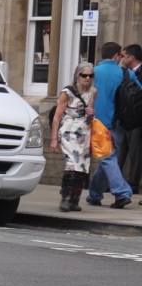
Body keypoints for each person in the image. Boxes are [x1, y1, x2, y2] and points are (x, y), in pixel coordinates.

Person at [85, 41, 141, 208]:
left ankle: (120, 193)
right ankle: (96, 194)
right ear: (116, 56)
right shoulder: (125, 73)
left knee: (108, 158)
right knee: (109, 157)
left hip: (96, 122)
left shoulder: (91, 73)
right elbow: (138, 95)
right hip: (117, 123)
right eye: (120, 56)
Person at [49, 64, 96, 211]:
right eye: (84, 75)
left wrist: (91, 112)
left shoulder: (93, 91)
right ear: (77, 75)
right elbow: (57, 117)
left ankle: (75, 200)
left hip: (84, 132)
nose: (87, 78)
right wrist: (54, 138)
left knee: (82, 166)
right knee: (71, 164)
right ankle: (66, 198)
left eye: (90, 75)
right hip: (69, 130)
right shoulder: (67, 92)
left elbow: (91, 111)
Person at [119, 43, 142, 190]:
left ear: (131, 57)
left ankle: (133, 183)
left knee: (135, 152)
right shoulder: (124, 72)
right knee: (121, 150)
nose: (121, 58)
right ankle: (114, 181)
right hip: (125, 118)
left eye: (123, 56)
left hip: (138, 119)